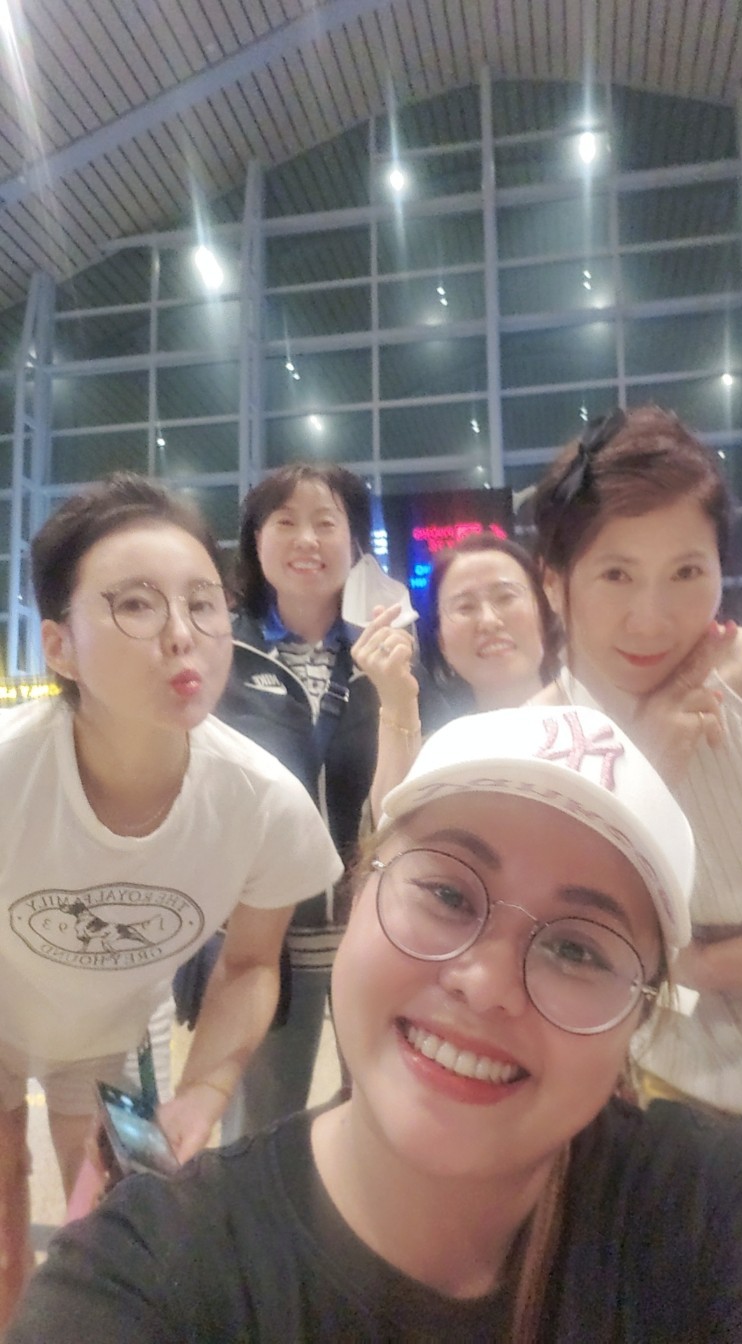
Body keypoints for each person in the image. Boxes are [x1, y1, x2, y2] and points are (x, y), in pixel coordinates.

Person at [9, 703, 742, 1342]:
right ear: (359, 892)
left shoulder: (705, 1213)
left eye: (576, 950)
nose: (486, 985)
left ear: (639, 1017)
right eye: (448, 895)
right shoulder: (149, 1276)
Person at [0, 473, 341, 1329]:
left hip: (114, 1036)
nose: (182, 633)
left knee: (114, 1238)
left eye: (203, 602)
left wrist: (205, 1088)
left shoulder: (262, 802)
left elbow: (251, 964)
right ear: (60, 646)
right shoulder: (11, 773)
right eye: (136, 605)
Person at [532, 404, 742, 1117]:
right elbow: (544, 942)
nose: (653, 620)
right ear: (554, 583)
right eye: (616, 574)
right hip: (658, 1093)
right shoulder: (533, 741)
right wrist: (637, 777)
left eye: (686, 571)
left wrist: (707, 964)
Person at [215, 463, 379, 1138]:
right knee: (255, 1132)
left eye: (326, 523)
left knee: (378, 1124)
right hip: (262, 940)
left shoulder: (389, 651)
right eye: (284, 521)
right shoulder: (219, 651)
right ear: (256, 542)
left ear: (356, 543)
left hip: (373, 937)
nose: (306, 539)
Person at [353, 532, 560, 817]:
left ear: (545, 614)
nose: (489, 621)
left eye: (506, 597)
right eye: (465, 607)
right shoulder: (440, 754)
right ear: (442, 643)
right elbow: (388, 832)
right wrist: (397, 703)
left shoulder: (601, 718)